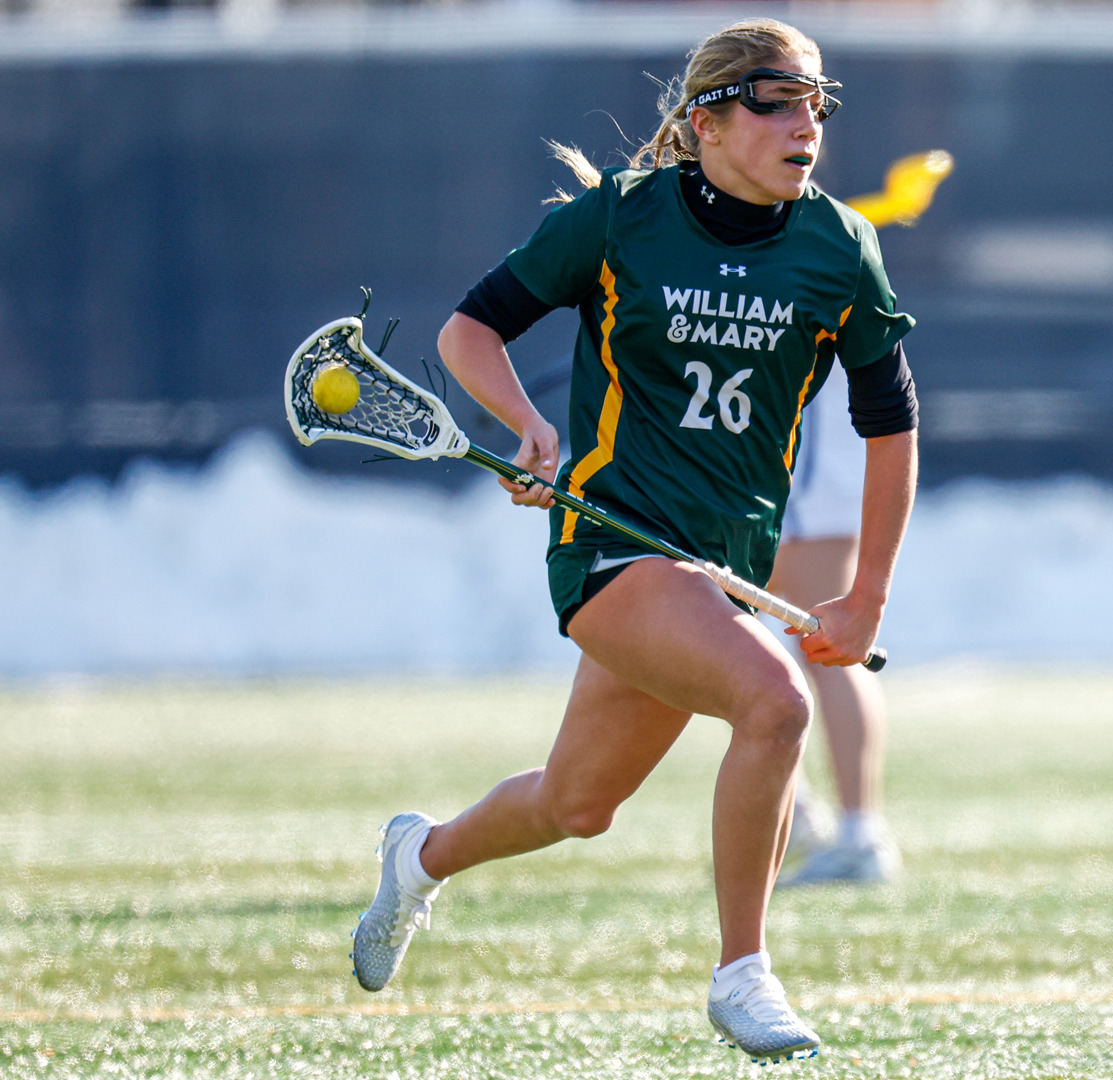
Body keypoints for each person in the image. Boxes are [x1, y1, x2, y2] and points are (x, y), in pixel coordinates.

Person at [345, 19, 920, 1065]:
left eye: (817, 105)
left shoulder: (839, 245)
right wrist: (527, 426)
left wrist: (867, 592)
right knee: (777, 702)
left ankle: (417, 858)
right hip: (612, 547)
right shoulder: (620, 220)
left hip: (725, 566)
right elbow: (468, 331)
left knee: (578, 805)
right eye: (777, 102)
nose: (807, 127)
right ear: (704, 120)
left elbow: (892, 424)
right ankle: (743, 974)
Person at [769, 361, 901, 885]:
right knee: (731, 635)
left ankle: (857, 833)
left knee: (830, 647)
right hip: (806, 467)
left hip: (808, 471)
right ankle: (802, 814)